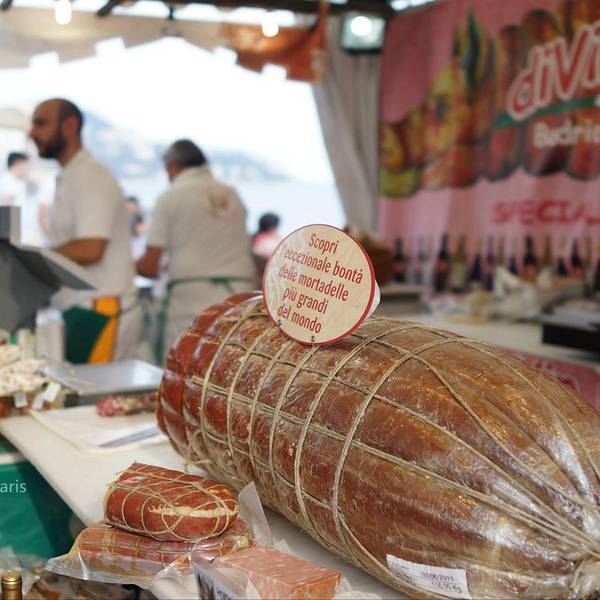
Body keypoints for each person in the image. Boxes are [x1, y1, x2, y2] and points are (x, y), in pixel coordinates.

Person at [29, 98, 141, 363]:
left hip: (100, 309)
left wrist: (35, 259)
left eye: (41, 124)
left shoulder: (91, 175)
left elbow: (91, 248)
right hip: (83, 307)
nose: (31, 133)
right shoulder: (72, 174)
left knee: (91, 389)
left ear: (69, 126)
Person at [136, 139, 256, 363]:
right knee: (229, 367)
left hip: (191, 300)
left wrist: (130, 266)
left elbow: (150, 266)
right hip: (240, 296)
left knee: (183, 367)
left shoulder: (170, 196)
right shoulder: (232, 193)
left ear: (173, 166)